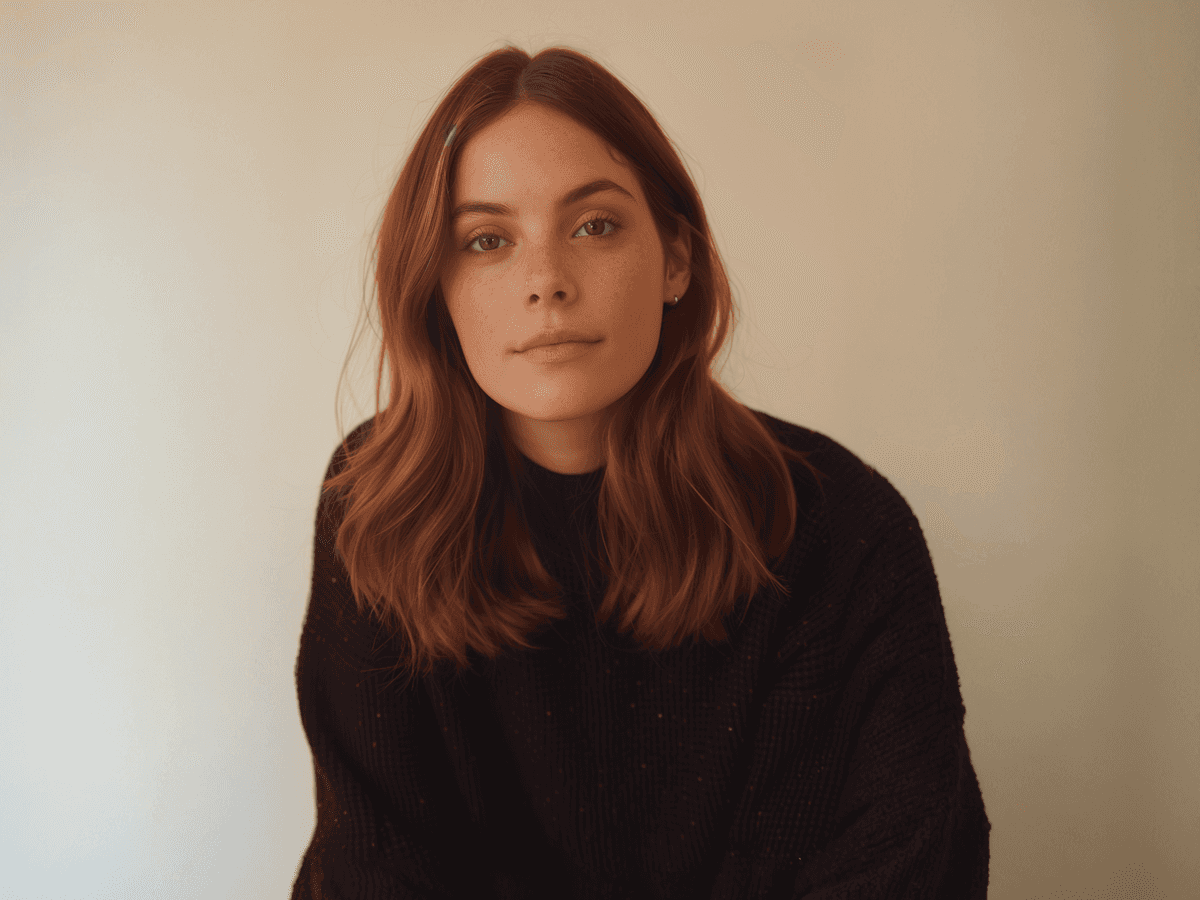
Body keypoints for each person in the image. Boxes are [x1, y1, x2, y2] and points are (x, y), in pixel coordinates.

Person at [291, 44, 990, 900]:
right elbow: (375, 864)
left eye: (594, 225)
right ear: (436, 289)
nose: (546, 281)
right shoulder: (376, 505)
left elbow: (902, 862)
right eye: (487, 240)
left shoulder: (845, 530)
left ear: (675, 261)